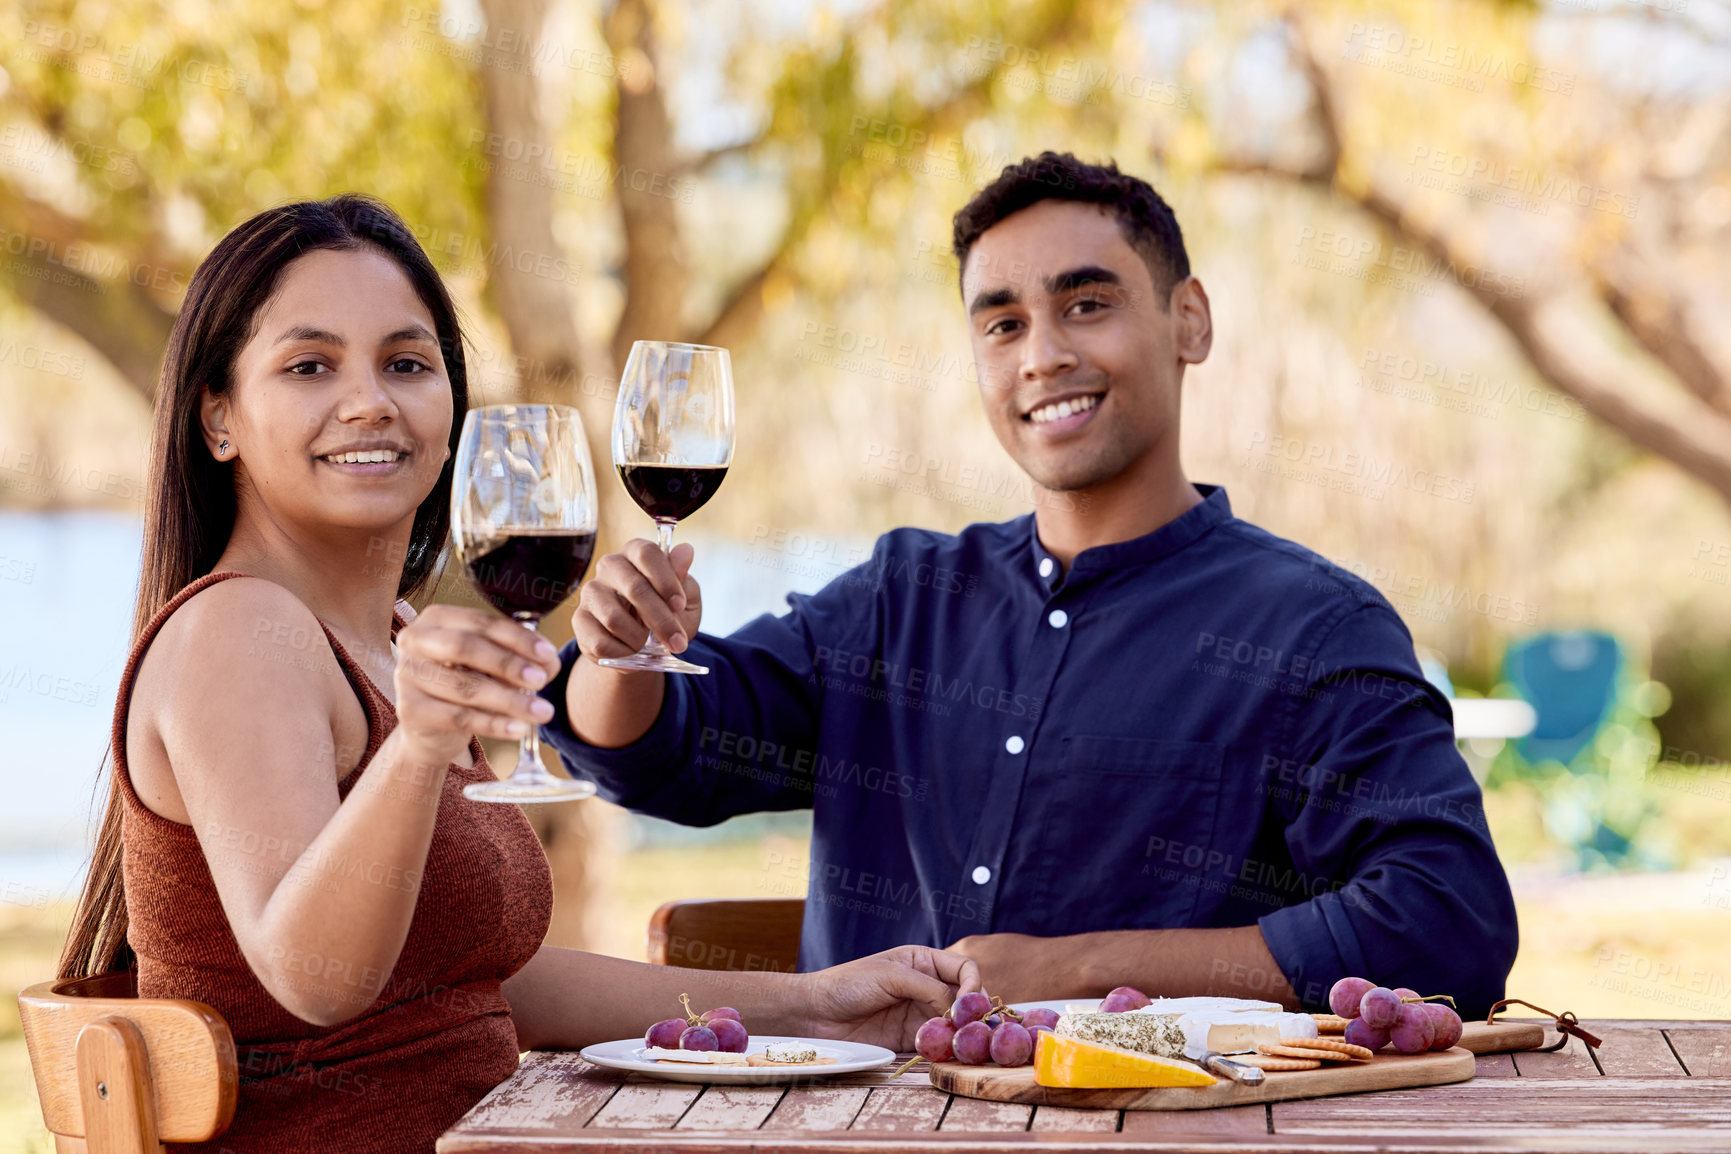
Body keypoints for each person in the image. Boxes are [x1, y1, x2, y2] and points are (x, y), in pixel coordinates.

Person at [58, 195, 979, 1154]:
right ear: (219, 420)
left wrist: (813, 1007)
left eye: (406, 363)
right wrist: (417, 746)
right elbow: (317, 977)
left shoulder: (390, 639)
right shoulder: (238, 633)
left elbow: (487, 985)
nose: (370, 399)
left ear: (450, 413)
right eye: (309, 365)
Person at [539, 153, 1519, 1015]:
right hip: (872, 1137)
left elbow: (1448, 918)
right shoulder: (901, 597)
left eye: (1085, 304)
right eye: (1002, 323)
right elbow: (659, 750)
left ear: (1190, 320)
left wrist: (1082, 967)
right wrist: (625, 648)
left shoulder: (1314, 630)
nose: (1043, 354)